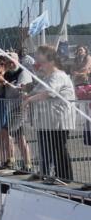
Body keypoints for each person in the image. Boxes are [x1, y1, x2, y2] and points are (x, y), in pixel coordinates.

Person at [24, 45, 76, 183]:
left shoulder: (58, 76)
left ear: (49, 59)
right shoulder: (48, 77)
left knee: (58, 148)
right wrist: (28, 94)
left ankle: (64, 177)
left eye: (39, 57)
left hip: (58, 121)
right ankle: (46, 173)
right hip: (47, 121)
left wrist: (29, 99)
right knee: (47, 148)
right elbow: (38, 90)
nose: (36, 60)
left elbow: (49, 92)